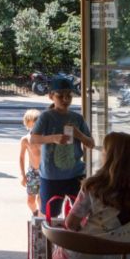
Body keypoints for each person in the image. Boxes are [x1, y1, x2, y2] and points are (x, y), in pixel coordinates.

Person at [30, 75, 95, 216]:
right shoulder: (46, 117)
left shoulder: (77, 118)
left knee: (82, 214)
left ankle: (73, 237)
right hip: (51, 176)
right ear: (51, 96)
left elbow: (91, 144)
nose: (66, 100)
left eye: (69, 96)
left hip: (76, 174)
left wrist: (79, 135)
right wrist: (53, 138)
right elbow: (33, 140)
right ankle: (50, 237)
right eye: (60, 96)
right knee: (49, 214)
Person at [19, 109, 42, 216]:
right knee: (30, 201)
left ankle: (42, 217)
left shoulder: (45, 138)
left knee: (41, 199)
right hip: (33, 173)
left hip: (45, 173)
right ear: (28, 123)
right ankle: (35, 213)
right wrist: (23, 175)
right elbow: (21, 157)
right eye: (35, 121)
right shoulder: (25, 140)